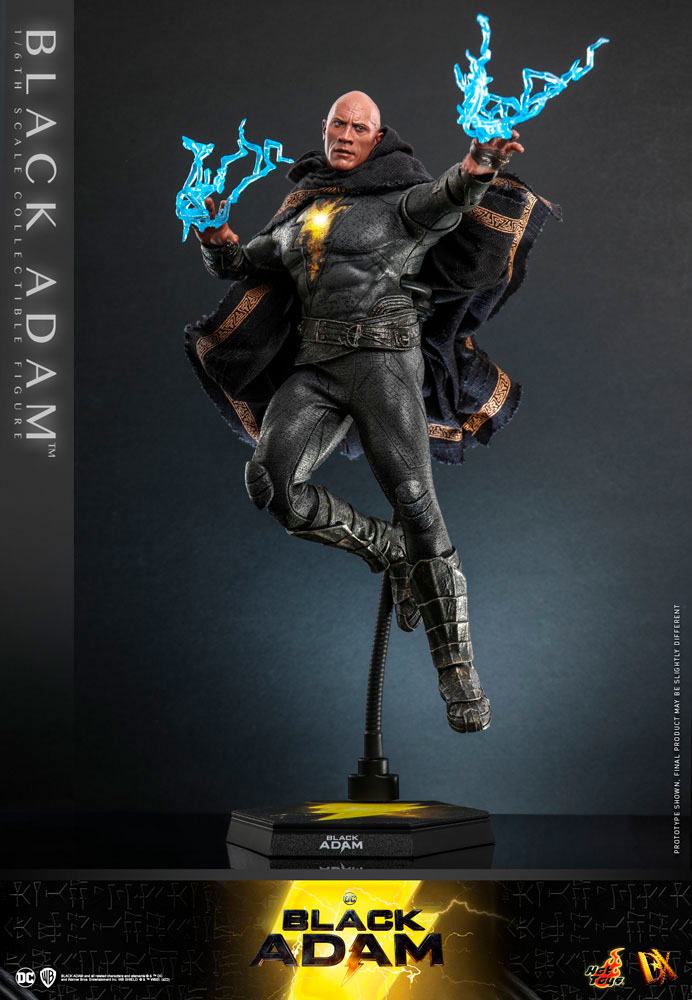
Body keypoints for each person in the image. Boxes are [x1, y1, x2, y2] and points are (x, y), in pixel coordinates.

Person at [193, 91, 526, 734]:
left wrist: (479, 164)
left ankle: (459, 675)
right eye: (337, 124)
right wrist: (216, 238)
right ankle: (386, 549)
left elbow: (451, 196)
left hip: (384, 363)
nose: (345, 135)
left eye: (358, 127)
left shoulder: (403, 203)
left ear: (378, 138)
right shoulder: (300, 211)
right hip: (317, 368)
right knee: (271, 484)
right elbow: (243, 262)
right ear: (324, 130)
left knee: (417, 503)